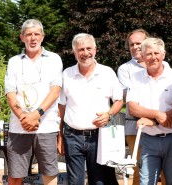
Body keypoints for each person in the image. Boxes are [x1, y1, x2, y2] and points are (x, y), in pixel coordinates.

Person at [57, 33, 124, 185]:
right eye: (81, 49)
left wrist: (108, 114)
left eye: (89, 48)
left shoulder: (107, 72)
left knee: (99, 181)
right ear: (74, 52)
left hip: (99, 137)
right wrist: (60, 135)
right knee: (75, 182)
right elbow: (61, 106)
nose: (85, 53)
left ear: (95, 49)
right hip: (72, 136)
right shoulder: (66, 74)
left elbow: (119, 100)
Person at [4, 19, 63, 185]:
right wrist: (24, 117)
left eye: (36, 34)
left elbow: (55, 91)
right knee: (15, 175)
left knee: (49, 173)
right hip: (19, 127)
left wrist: (36, 115)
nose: (33, 38)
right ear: (21, 37)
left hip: (46, 126)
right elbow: (10, 94)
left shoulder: (54, 59)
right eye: (29, 34)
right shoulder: (14, 61)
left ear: (42, 36)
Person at [127, 37, 172, 185]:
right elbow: (132, 107)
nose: (153, 57)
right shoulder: (135, 78)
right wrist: (157, 114)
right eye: (148, 54)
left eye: (156, 53)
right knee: (146, 182)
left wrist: (152, 120)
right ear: (142, 57)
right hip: (149, 140)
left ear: (163, 54)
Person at [117, 28, 151, 185]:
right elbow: (129, 98)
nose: (135, 47)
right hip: (134, 126)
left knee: (166, 169)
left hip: (161, 126)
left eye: (139, 43)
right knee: (138, 168)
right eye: (131, 44)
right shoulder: (125, 69)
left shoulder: (162, 64)